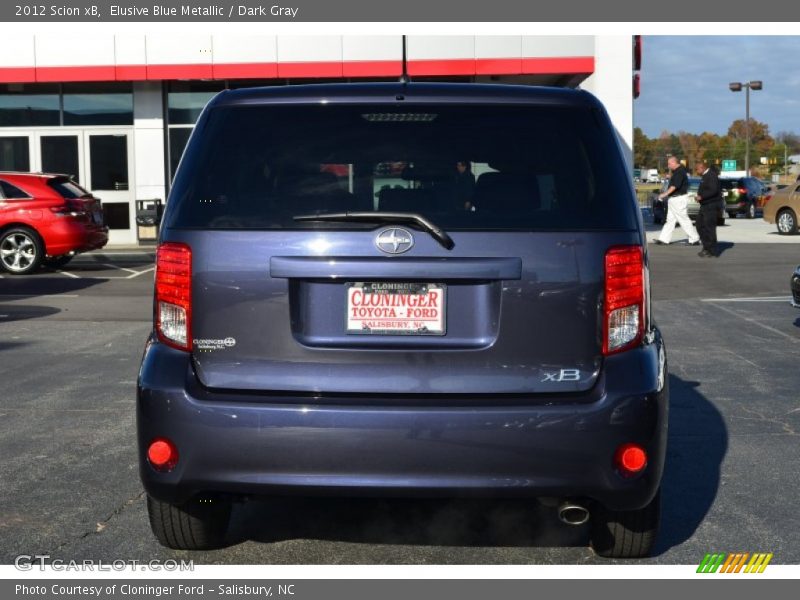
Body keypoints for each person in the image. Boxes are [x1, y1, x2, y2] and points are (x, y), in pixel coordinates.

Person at [653, 156, 700, 246]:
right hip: (674, 199)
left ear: (674, 162)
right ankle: (664, 239)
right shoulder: (677, 172)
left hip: (678, 199)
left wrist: (664, 194)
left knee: (683, 219)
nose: (668, 165)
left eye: (669, 163)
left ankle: (694, 239)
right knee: (670, 220)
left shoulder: (680, 172)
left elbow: (674, 186)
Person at [694, 160, 723, 257]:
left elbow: (713, 190)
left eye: (697, 169)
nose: (696, 172)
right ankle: (706, 246)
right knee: (699, 225)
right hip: (704, 205)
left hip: (711, 205)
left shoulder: (711, 175)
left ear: (702, 167)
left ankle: (711, 250)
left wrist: (702, 197)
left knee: (709, 228)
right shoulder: (705, 176)